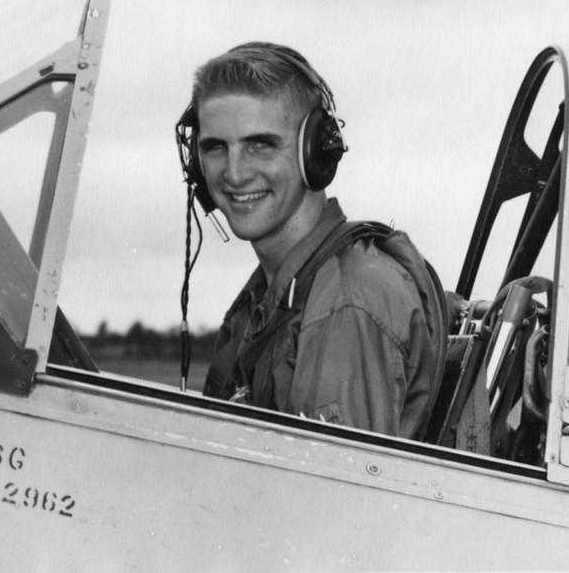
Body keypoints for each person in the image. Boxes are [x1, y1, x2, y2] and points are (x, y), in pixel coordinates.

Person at [178, 42, 445, 440]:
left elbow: (329, 495)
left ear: (315, 152)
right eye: (215, 148)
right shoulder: (275, 294)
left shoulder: (344, 303)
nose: (233, 174)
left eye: (260, 145)